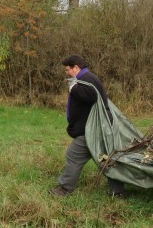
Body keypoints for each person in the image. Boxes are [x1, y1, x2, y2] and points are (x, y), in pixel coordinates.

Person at [51, 54, 127, 198]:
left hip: (90, 131)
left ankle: (65, 189)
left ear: (76, 67)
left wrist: (73, 88)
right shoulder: (87, 79)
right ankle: (118, 191)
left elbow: (90, 96)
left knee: (73, 155)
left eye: (67, 70)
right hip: (95, 129)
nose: (66, 73)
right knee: (104, 159)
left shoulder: (87, 79)